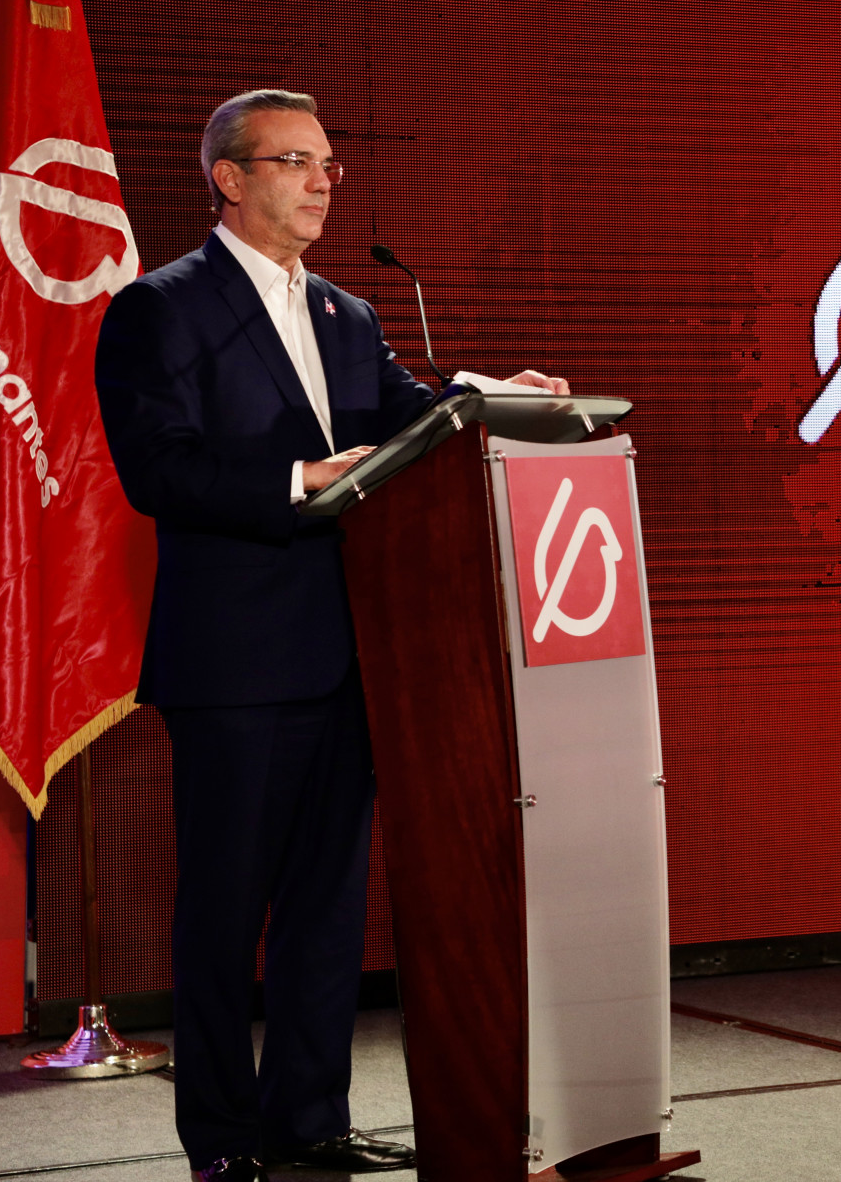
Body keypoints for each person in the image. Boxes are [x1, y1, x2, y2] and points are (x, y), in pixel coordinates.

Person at [95, 89, 566, 1182]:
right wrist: (298, 476)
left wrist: (494, 396)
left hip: (354, 654)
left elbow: (406, 411)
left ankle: (308, 1118)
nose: (322, 182)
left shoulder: (349, 313)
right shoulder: (160, 308)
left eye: (328, 165)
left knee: (325, 907)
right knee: (224, 912)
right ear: (229, 178)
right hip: (235, 663)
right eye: (296, 162)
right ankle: (223, 1141)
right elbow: (157, 467)